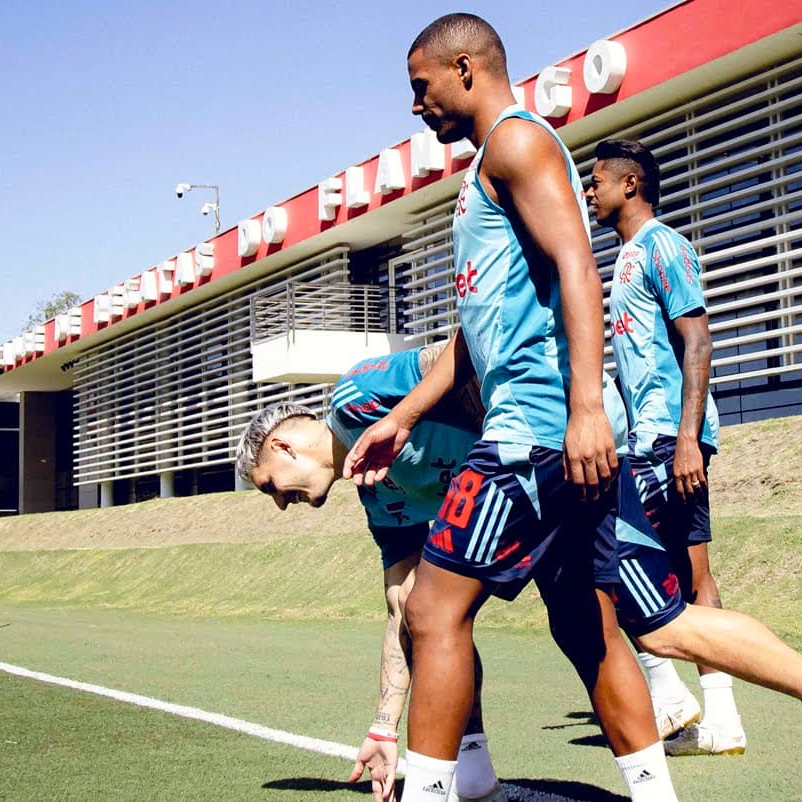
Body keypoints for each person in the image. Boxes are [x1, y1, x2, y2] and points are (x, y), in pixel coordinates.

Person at [345, 13, 676, 802]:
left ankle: (432, 792)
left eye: (421, 87)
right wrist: (403, 415)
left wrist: (588, 406)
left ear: (465, 68)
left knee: (431, 607)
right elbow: (476, 330)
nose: (415, 106)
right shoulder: (486, 168)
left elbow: (577, 266)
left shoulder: (517, 144)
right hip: (545, 431)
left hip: (534, 432)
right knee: (582, 622)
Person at [586, 138, 802, 801]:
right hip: (647, 441)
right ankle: (714, 715)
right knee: (660, 587)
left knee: (645, 587)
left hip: (667, 441)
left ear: (632, 183)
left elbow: (698, 338)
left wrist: (688, 440)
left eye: (599, 180)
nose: (590, 191)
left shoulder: (663, 245)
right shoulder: (622, 258)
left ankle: (742, 706)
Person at [235, 345, 504, 802]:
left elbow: (457, 352)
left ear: (281, 446)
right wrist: (383, 728)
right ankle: (474, 772)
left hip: (550, 454)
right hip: (517, 505)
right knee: (426, 610)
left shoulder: (354, 394)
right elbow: (401, 607)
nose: (280, 503)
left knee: (628, 621)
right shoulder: (379, 499)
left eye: (270, 487)